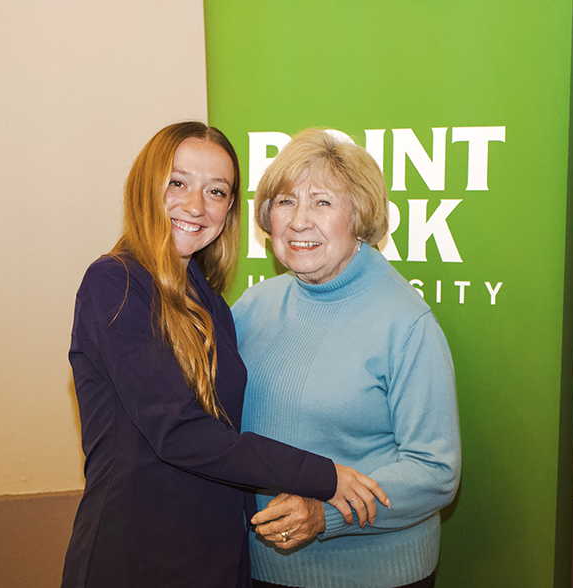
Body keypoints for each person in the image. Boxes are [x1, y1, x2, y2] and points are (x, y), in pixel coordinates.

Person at [61, 122, 388, 588]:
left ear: (229, 208)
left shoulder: (211, 302)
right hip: (136, 555)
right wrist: (323, 475)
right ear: (144, 187)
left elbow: (228, 431)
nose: (195, 205)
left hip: (215, 554)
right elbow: (180, 433)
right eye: (178, 183)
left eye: (216, 191)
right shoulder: (114, 284)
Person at [233, 128, 462, 588]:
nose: (299, 221)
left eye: (322, 202)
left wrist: (325, 514)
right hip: (258, 568)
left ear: (359, 217)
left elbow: (436, 470)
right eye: (284, 201)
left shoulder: (405, 322)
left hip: (371, 574)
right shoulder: (250, 307)